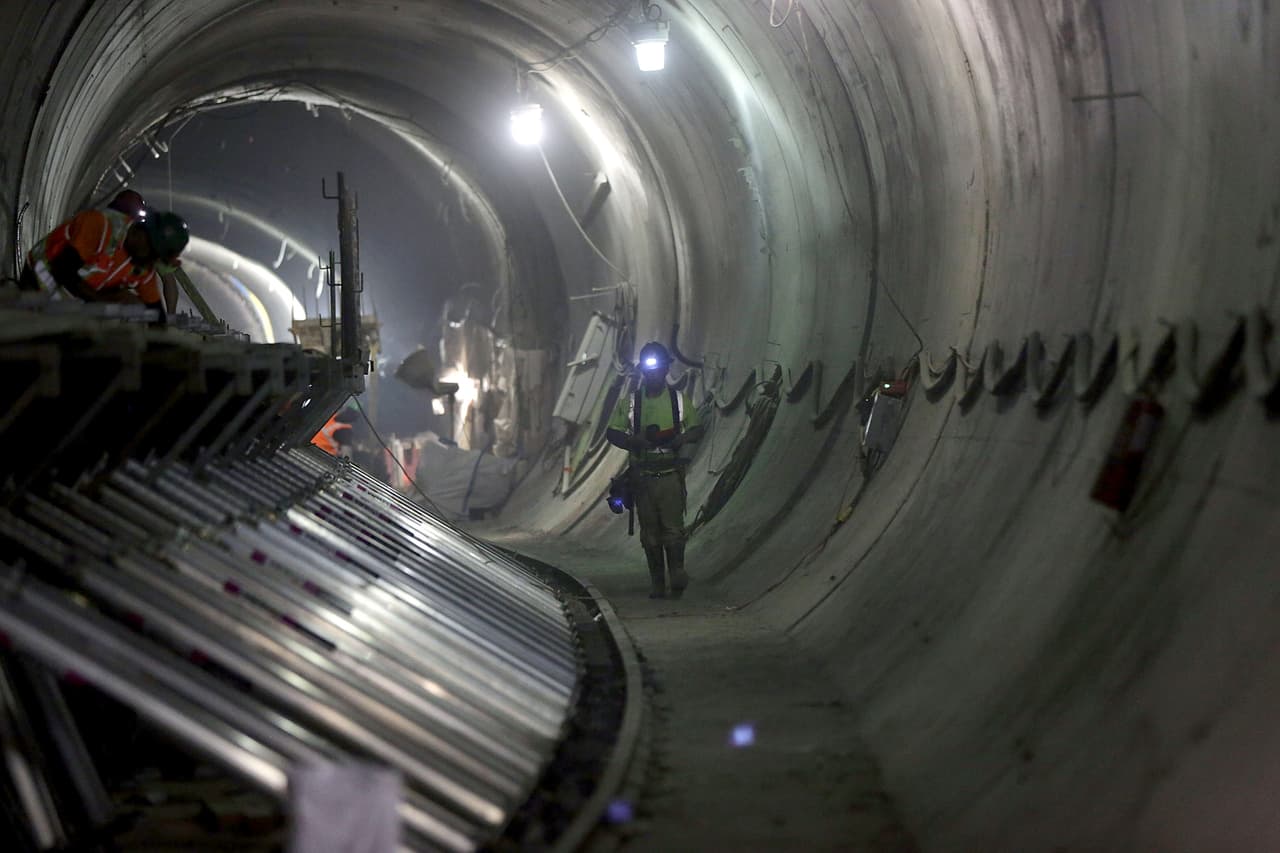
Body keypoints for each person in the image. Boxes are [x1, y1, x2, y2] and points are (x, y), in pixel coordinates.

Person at [606, 341, 705, 599]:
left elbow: (696, 428)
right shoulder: (631, 403)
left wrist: (681, 440)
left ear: (665, 370)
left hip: (670, 475)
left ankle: (676, 575)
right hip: (643, 477)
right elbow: (612, 432)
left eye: (658, 369)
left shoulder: (679, 401)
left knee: (673, 530)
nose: (653, 374)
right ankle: (658, 583)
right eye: (649, 370)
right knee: (650, 535)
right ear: (643, 372)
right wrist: (632, 441)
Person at [20, 205, 189, 319]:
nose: (152, 262)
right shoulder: (100, 225)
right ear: (141, 235)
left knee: (130, 303)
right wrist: (102, 303)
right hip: (38, 284)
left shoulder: (141, 263)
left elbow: (154, 311)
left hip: (71, 304)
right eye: (152, 254)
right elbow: (63, 269)